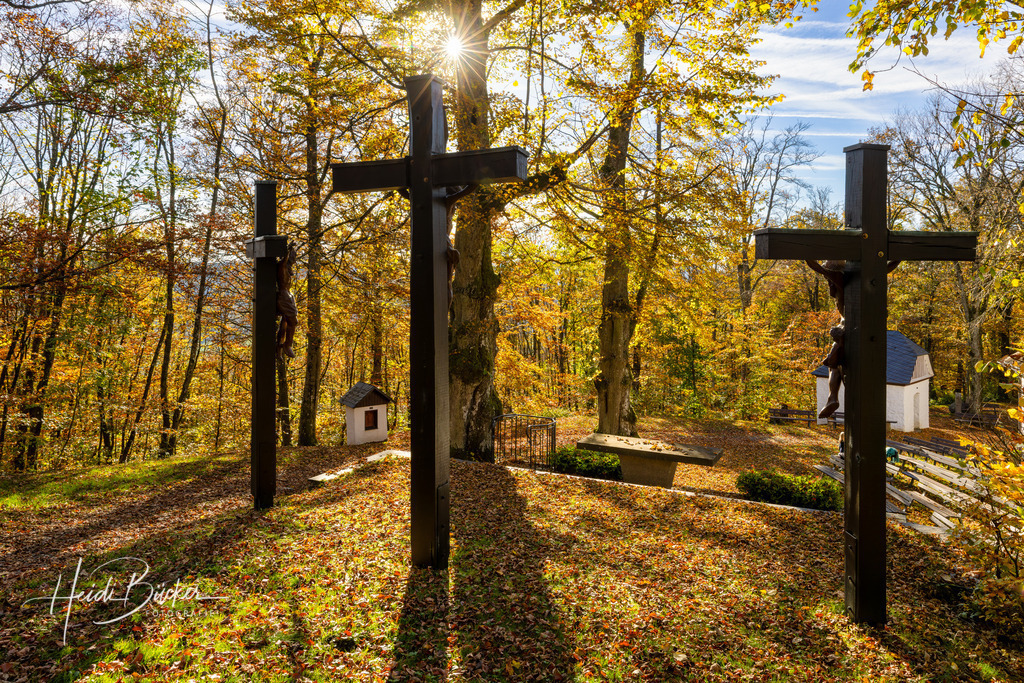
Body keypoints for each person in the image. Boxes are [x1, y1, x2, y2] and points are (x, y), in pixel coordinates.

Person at [276, 244, 298, 358]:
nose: (294, 259)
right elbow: (284, 259)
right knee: (293, 321)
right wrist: (288, 250)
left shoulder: (288, 267)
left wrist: (291, 249)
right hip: (284, 296)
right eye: (293, 256)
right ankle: (287, 344)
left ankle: (279, 346)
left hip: (288, 295)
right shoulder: (283, 266)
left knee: (285, 321)